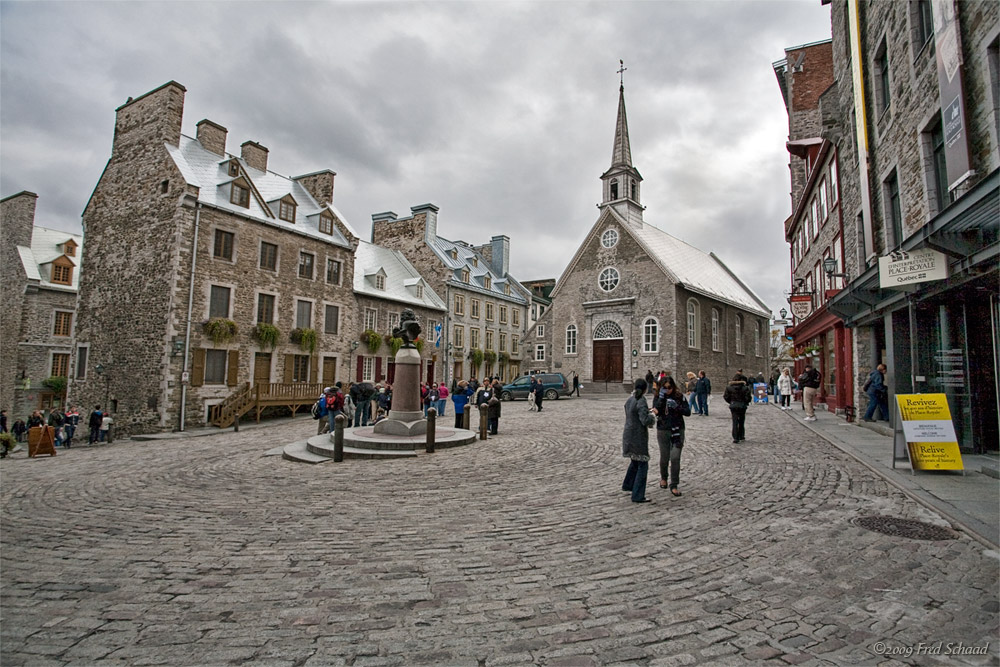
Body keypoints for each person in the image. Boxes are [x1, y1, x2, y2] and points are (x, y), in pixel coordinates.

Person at [652, 375, 690, 496]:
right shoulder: (658, 397)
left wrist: (677, 407)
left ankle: (674, 484)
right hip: (663, 429)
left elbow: (687, 411)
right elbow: (656, 410)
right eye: (665, 388)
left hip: (678, 429)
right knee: (664, 456)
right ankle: (664, 477)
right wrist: (661, 399)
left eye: (670, 387)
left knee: (675, 457)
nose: (668, 390)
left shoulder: (679, 397)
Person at [622, 378, 656, 503]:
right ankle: (638, 495)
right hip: (637, 436)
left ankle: (628, 484)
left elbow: (628, 411)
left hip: (628, 433)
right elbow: (644, 420)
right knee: (642, 464)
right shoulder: (641, 400)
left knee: (634, 461)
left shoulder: (630, 399)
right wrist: (652, 416)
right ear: (645, 388)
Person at [724, 372, 752, 443]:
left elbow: (726, 397)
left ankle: (735, 437)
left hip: (733, 405)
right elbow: (748, 397)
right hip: (742, 405)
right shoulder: (745, 388)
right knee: (741, 421)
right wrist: (745, 402)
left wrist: (731, 402)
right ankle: (741, 435)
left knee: (735, 421)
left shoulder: (729, 387)